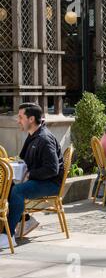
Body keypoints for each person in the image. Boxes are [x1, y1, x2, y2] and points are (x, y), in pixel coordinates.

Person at [1, 103, 63, 249]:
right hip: (39, 180)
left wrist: (30, 174)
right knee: (6, 185)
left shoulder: (44, 139)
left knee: (18, 191)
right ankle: (26, 220)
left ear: (31, 119)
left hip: (51, 184)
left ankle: (7, 235)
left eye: (21, 117)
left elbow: (52, 169)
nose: (18, 121)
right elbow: (23, 157)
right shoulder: (33, 135)